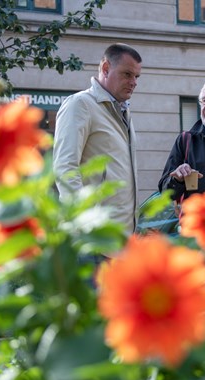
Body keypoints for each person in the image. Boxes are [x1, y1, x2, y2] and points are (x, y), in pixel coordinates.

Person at [53, 43, 142, 236]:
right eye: (127, 74)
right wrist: (85, 223)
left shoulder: (123, 111)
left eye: (137, 76)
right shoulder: (80, 104)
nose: (134, 82)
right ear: (105, 68)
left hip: (121, 240)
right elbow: (65, 168)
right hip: (92, 239)